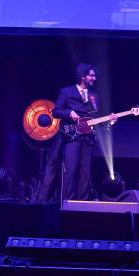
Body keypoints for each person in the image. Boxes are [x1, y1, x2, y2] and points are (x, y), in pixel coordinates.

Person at [52, 64, 99, 201]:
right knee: (71, 171)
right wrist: (69, 112)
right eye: (91, 75)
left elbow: (96, 117)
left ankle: (82, 205)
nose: (94, 78)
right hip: (73, 137)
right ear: (82, 76)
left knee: (86, 173)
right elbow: (56, 111)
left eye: (95, 75)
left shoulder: (94, 96)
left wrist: (110, 120)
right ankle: (67, 205)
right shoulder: (67, 92)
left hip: (89, 138)